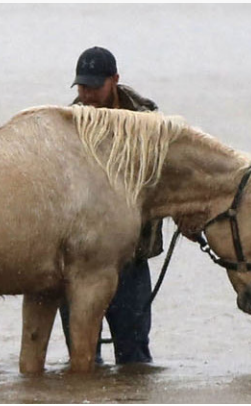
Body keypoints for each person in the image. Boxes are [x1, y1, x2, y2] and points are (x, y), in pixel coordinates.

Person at [60, 46, 163, 364]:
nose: (87, 95)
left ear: (115, 81)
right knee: (83, 357)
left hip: (130, 259)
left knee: (134, 357)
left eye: (94, 86)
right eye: (82, 86)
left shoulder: (148, 123)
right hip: (79, 260)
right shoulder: (66, 124)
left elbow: (159, 183)